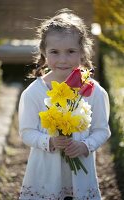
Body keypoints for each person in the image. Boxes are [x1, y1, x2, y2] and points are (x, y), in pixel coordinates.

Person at [18, 8, 111, 200]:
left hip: (81, 172)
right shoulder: (34, 93)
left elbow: (102, 129)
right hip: (46, 172)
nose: (63, 59)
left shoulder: (93, 91)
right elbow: (26, 132)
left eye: (70, 51)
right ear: (44, 52)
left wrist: (85, 145)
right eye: (55, 52)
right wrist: (49, 141)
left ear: (83, 53)